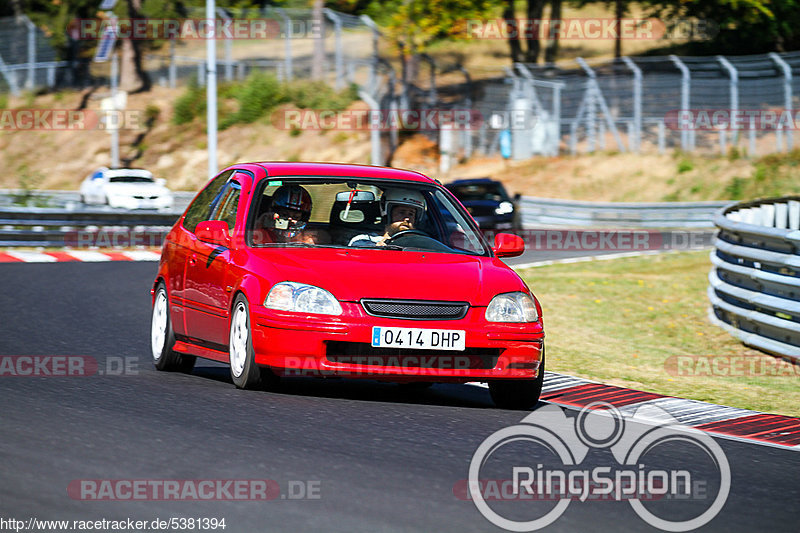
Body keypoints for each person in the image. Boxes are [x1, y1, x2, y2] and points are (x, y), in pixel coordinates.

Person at [349, 188, 425, 247]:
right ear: (387, 213)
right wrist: (376, 248)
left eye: (411, 214)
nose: (407, 218)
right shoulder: (364, 240)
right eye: (402, 212)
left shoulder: (422, 244)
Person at [255, 184, 326, 245]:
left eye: (296, 217)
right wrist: (259, 223)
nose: (290, 220)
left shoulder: (309, 240)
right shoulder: (262, 235)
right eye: (284, 215)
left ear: (303, 218)